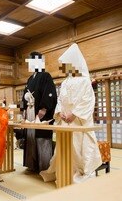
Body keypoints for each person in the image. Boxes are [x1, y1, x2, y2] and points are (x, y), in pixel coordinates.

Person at [40, 43, 102, 183]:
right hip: (65, 120)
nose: (64, 68)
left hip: (78, 121)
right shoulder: (65, 82)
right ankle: (64, 171)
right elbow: (61, 100)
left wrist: (74, 114)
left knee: (79, 149)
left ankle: (79, 171)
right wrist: (60, 112)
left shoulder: (85, 80)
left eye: (66, 64)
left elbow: (87, 101)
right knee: (64, 147)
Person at [21, 51, 57, 173]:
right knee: (30, 136)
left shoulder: (46, 76)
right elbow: (24, 95)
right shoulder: (30, 79)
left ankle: (44, 166)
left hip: (40, 111)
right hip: (30, 110)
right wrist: (24, 110)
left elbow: (50, 93)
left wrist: (44, 108)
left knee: (42, 138)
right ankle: (32, 164)